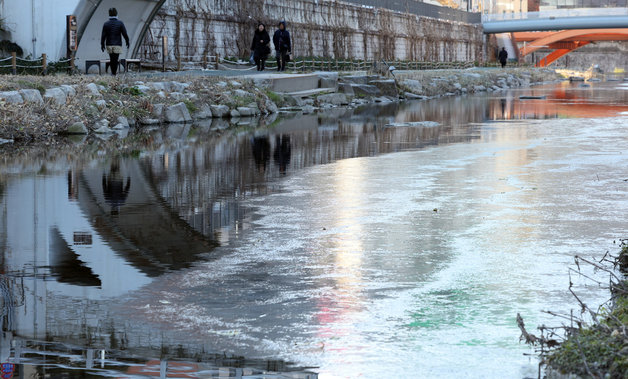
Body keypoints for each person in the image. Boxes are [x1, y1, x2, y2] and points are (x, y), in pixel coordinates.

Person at [101, 8, 129, 76]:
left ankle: (112, 73)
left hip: (109, 44)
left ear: (109, 14)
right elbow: (124, 33)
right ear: (116, 14)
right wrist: (127, 41)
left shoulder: (106, 24)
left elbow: (103, 35)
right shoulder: (120, 23)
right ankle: (114, 73)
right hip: (117, 44)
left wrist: (102, 45)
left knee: (111, 59)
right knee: (115, 59)